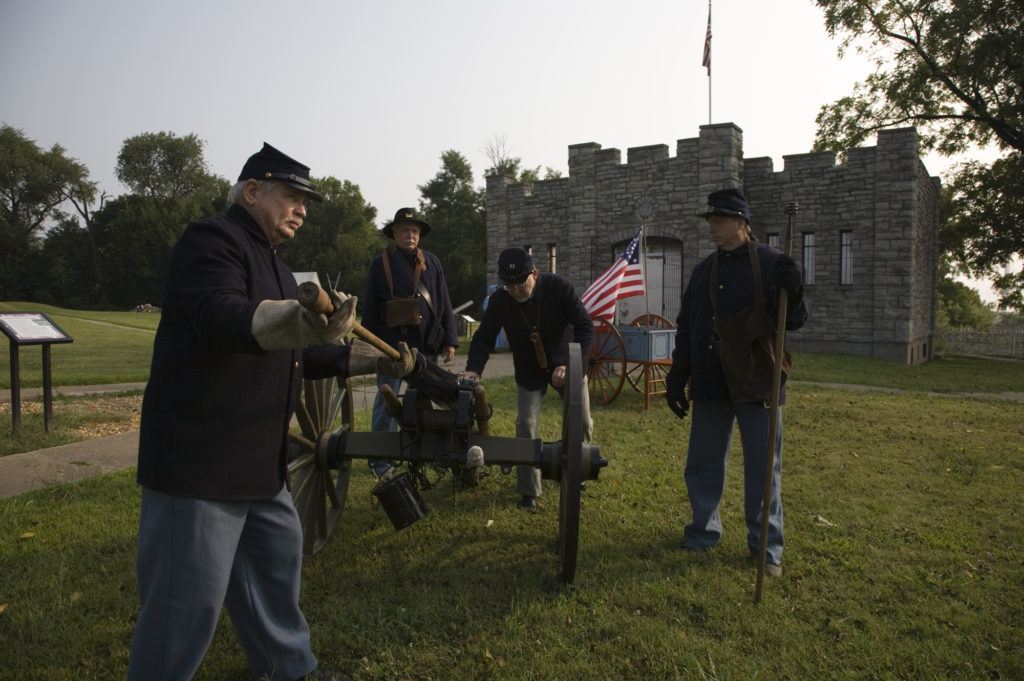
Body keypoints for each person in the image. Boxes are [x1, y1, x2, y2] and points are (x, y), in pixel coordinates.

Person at [126, 143, 415, 681]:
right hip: (202, 460)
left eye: (306, 202)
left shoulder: (280, 272)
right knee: (182, 609)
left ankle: (291, 671)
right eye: (292, 196)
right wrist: (301, 322)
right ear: (253, 191)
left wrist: (372, 360)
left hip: (261, 463)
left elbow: (297, 356)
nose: (302, 210)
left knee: (274, 577)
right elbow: (221, 315)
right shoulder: (211, 240)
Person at [664, 187, 807, 577]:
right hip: (711, 380)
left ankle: (766, 549)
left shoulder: (773, 262)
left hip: (758, 380)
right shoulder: (702, 271)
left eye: (719, 220)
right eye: (710, 220)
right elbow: (688, 326)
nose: (712, 227)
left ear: (742, 222)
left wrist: (794, 291)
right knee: (703, 464)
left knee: (763, 469)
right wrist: (678, 373)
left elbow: (794, 320)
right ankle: (702, 533)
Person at [463, 247, 595, 511]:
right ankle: (528, 491)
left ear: (534, 274)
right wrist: (473, 369)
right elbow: (484, 337)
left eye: (520, 282)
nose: (514, 289)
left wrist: (570, 365)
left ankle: (577, 470)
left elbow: (585, 326)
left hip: (566, 363)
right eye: (508, 284)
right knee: (525, 424)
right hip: (528, 368)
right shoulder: (500, 300)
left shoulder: (559, 288)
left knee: (581, 420)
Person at [361, 207, 458, 478]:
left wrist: (450, 340)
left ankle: (434, 454)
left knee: (430, 400)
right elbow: (370, 306)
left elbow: (443, 300)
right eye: (405, 230)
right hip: (390, 346)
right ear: (394, 234)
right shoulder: (379, 264)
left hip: (426, 343)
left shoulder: (432, 262)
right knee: (386, 402)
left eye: (415, 231)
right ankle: (381, 459)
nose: (410, 235)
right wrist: (370, 344)